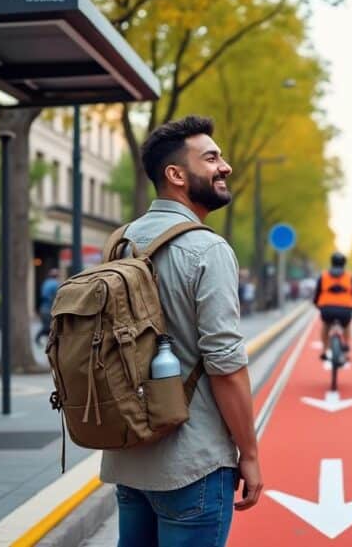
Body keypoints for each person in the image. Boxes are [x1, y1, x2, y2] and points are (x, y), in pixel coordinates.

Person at [100, 115, 261, 547]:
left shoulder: (120, 242)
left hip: (129, 457)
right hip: (194, 463)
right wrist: (251, 454)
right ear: (175, 175)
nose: (224, 166)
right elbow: (226, 365)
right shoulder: (207, 248)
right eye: (211, 158)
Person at [313, 252, 352, 359]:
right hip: (345, 309)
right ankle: (347, 350)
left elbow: (317, 293)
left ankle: (325, 349)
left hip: (327, 309)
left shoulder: (324, 276)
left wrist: (316, 304)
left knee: (326, 325)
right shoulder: (349, 276)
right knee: (347, 325)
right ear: (344, 263)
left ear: (332, 262)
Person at [34, 269, 59, 345]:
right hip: (49, 309)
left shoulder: (46, 282)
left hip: (43, 308)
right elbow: (57, 296)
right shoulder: (55, 284)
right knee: (48, 327)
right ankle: (38, 338)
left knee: (48, 327)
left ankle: (49, 343)